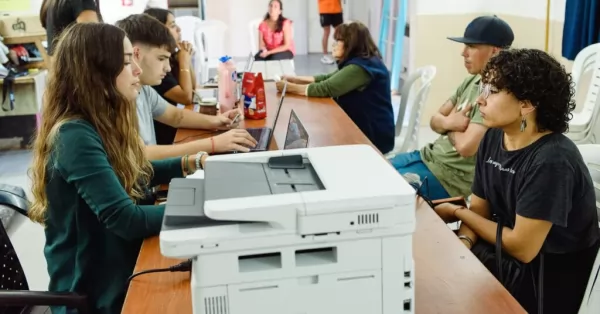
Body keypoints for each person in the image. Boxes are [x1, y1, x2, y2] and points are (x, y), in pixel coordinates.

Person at [28, 22, 207, 314]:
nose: (137, 70)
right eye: (126, 62)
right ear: (96, 73)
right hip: (93, 290)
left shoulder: (96, 122)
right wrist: (205, 209)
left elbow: (132, 172)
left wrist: (190, 162)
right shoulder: (74, 135)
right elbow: (126, 219)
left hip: (113, 264)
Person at [434, 48, 600, 314]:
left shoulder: (552, 159)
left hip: (546, 278)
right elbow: (479, 211)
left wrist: (456, 211)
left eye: (493, 91)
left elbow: (523, 248)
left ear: (526, 104)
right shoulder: (492, 137)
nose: (480, 100)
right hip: (506, 254)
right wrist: (463, 245)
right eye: (483, 88)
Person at [389, 15, 514, 200]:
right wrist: (452, 122)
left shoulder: (494, 93)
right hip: (426, 156)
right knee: (373, 172)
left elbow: (466, 147)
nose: (463, 53)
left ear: (495, 51)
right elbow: (434, 121)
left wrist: (446, 124)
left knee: (381, 194)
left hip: (447, 178)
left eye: (471, 46)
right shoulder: (471, 80)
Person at [116, 14, 257, 159]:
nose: (168, 68)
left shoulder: (145, 90)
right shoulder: (117, 98)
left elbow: (176, 116)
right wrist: (213, 143)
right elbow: (141, 154)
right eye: (161, 59)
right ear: (135, 54)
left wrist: (218, 121)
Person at [275, 22, 394, 154]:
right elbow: (327, 78)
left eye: (338, 41)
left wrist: (289, 87)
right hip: (365, 126)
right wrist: (295, 79)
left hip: (372, 137)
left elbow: (327, 88)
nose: (334, 45)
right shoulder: (364, 61)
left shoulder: (359, 68)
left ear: (351, 43)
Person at [144, 8, 197, 145]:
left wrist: (185, 58)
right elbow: (186, 97)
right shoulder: (155, 70)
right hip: (165, 136)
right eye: (172, 25)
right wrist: (184, 61)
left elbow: (193, 91)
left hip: (172, 128)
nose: (179, 29)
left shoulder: (169, 59)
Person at [318, 0, 343, 64]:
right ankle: (325, 56)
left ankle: (339, 53)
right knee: (326, 32)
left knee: (339, 32)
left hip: (337, 9)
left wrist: (341, 7)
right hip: (325, 9)